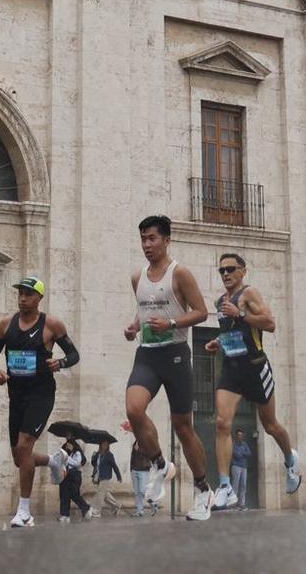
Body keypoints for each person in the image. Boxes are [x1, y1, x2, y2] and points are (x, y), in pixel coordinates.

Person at [123, 216, 215, 519]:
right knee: (134, 410)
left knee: (183, 427)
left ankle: (203, 490)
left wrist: (172, 323)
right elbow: (144, 310)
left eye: (152, 239)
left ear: (166, 240)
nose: (147, 245)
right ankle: (160, 464)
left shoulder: (180, 274)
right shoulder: (138, 277)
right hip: (147, 354)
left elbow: (201, 312)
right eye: (143, 240)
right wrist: (134, 327)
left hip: (175, 353)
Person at [201, 252, 303, 510]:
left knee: (270, 425)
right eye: (221, 270)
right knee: (222, 423)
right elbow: (233, 333)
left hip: (256, 369)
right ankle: (225, 487)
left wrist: (241, 314)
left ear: (243, 271)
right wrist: (218, 342)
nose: (225, 274)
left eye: (231, 269)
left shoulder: (250, 294)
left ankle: (291, 460)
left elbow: (270, 323)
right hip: (232, 369)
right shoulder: (219, 301)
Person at [0, 274, 80, 528]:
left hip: (41, 394)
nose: (23, 298)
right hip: (16, 395)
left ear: (39, 297)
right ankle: (53, 460)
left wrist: (59, 362)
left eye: (28, 294)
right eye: (20, 294)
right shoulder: (6, 325)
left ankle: (24, 511)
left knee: (25, 445)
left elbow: (74, 354)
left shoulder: (52, 325)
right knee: (19, 457)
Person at [56, 435, 91, 522]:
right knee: (64, 494)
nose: (68, 446)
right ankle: (65, 514)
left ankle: (86, 507)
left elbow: (77, 463)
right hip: (66, 475)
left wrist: (67, 459)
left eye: (69, 445)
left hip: (75, 475)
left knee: (74, 494)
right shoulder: (65, 451)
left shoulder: (77, 452)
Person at [92, 440, 123, 510]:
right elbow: (94, 464)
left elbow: (114, 466)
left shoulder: (109, 455)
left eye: (106, 445)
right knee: (105, 494)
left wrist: (119, 476)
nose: (104, 446)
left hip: (105, 476)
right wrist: (94, 456)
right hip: (98, 476)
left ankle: (96, 510)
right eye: (103, 444)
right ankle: (117, 505)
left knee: (100, 493)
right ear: (100, 445)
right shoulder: (98, 454)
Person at [229, 431, 252, 506]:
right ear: (236, 436)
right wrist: (243, 453)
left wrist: (242, 453)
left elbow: (249, 453)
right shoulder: (233, 444)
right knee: (235, 485)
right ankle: (233, 503)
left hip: (244, 467)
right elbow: (236, 454)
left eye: (241, 435)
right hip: (236, 466)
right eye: (239, 435)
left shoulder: (245, 444)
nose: (240, 436)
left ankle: (242, 503)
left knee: (243, 485)